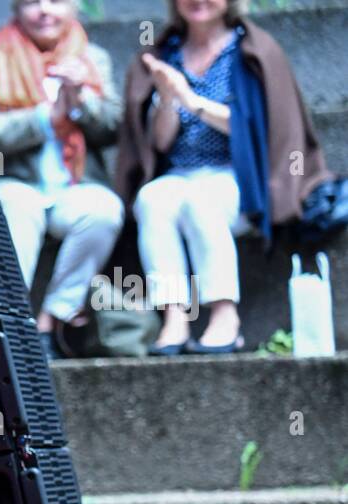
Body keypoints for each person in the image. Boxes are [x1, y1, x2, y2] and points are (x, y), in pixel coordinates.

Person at [116, 0, 333, 355]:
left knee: (201, 200)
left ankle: (224, 316)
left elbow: (262, 130)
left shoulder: (252, 50)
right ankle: (174, 317)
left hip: (237, 175)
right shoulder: (164, 52)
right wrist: (168, 99)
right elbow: (158, 143)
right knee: (152, 199)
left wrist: (191, 100)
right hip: (179, 172)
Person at [0, 0, 125, 359]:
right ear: (16, 9)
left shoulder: (92, 58)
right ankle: (8, 321)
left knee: (104, 211)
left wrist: (80, 99)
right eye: (32, 2)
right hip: (17, 182)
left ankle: (51, 319)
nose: (44, 11)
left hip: (76, 185)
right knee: (14, 209)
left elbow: (113, 126)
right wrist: (46, 118)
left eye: (55, 1)